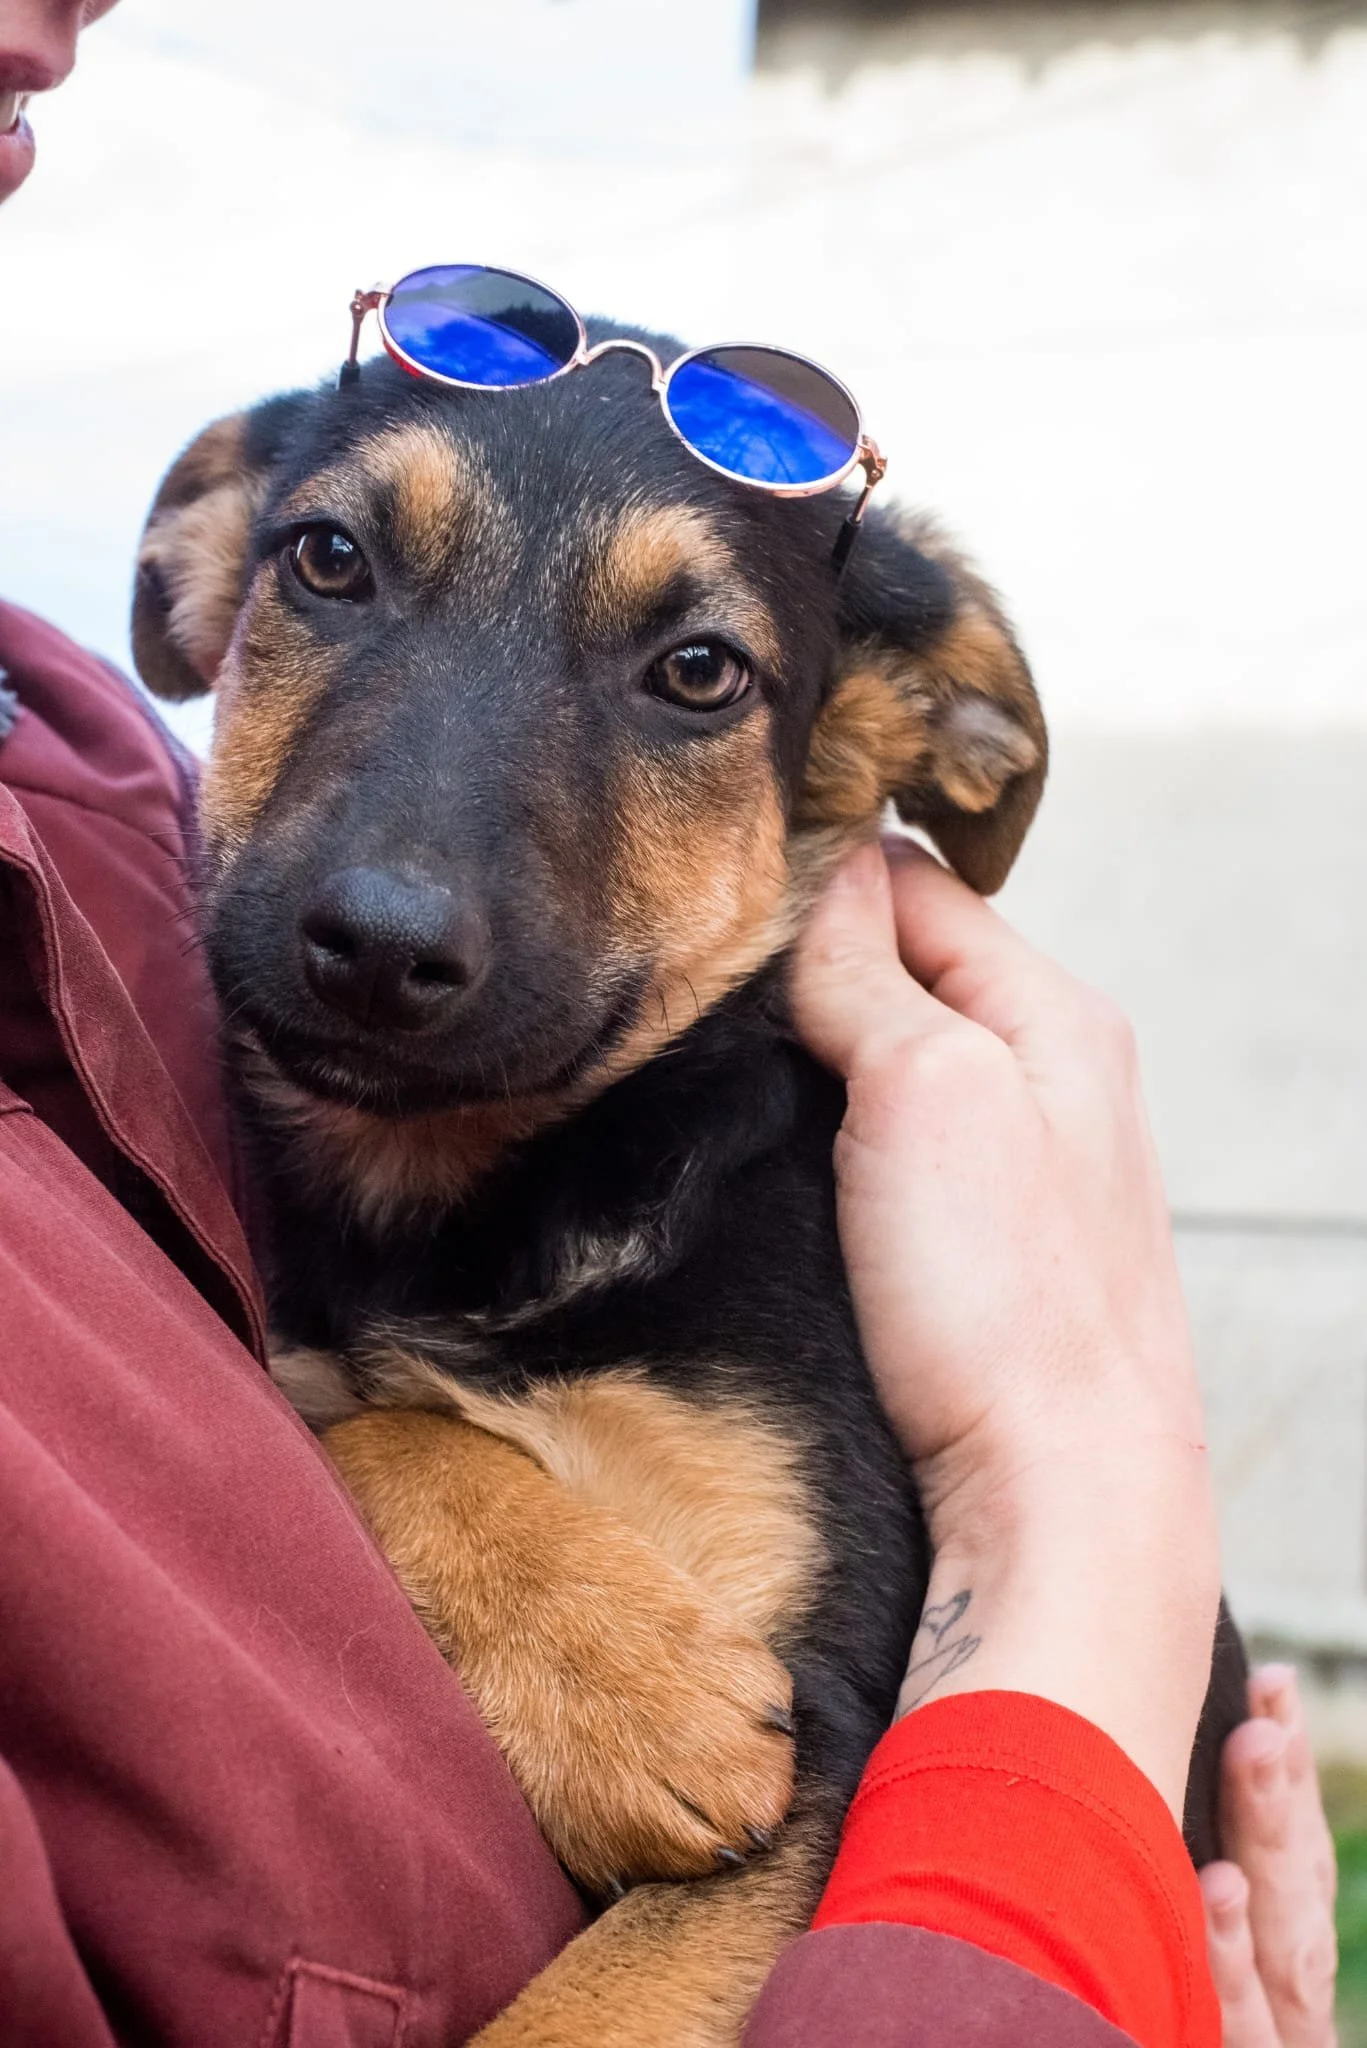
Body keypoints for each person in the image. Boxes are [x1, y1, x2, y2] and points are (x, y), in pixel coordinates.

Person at [0, 5, 1339, 2043]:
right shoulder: (141, 1091)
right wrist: (1078, 1498)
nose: (400, 885)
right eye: (340, 566)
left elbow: (796, 1820)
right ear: (210, 581)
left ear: (887, 747)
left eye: (690, 676)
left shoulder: (831, 1253)